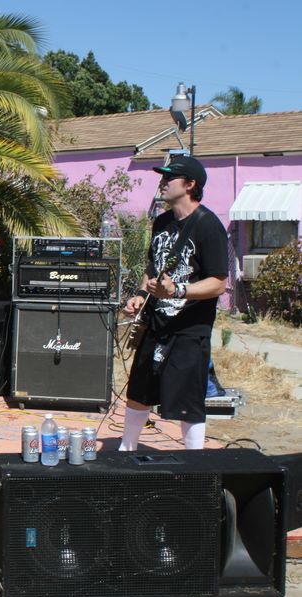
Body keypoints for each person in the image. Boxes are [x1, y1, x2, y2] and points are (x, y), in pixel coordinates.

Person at [120, 154, 228, 451]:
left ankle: (195, 462)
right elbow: (152, 267)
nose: (163, 182)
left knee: (187, 401)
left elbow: (219, 283)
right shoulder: (162, 222)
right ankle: (126, 450)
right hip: (156, 322)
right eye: (162, 177)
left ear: (190, 184)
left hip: (188, 329)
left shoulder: (208, 225)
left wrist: (178, 290)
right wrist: (140, 296)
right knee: (139, 391)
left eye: (169, 177)